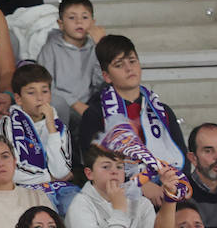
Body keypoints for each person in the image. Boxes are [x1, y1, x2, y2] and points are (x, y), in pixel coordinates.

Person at [77, 34, 188, 192]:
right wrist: (141, 186)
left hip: (167, 188)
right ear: (107, 76)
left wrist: (171, 187)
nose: (129, 68)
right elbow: (94, 167)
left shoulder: (162, 110)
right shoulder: (95, 115)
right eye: (119, 64)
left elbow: (182, 157)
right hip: (118, 194)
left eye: (132, 61)